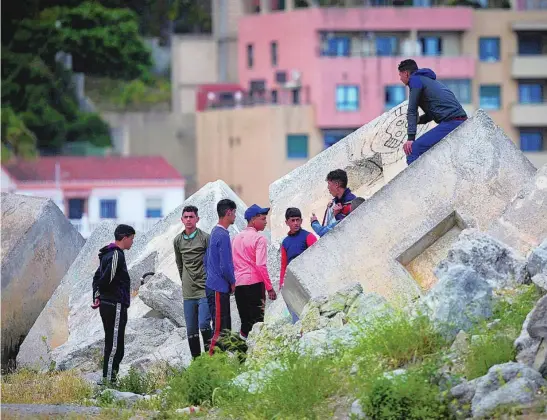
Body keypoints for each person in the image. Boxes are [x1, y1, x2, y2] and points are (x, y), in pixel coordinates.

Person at [398, 59, 468, 165]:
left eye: (400, 75)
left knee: (413, 150)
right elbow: (431, 114)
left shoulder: (415, 80)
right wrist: (418, 121)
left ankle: (418, 182)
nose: (400, 79)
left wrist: (410, 138)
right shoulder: (426, 80)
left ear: (406, 73)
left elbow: (412, 110)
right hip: (458, 120)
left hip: (452, 122)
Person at [91, 224, 135, 384]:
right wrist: (101, 294)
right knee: (115, 346)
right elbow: (107, 277)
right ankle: (108, 381)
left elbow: (96, 277)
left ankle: (110, 379)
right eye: (132, 239)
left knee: (114, 342)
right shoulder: (116, 254)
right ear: (125, 238)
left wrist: (96, 296)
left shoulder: (106, 254)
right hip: (115, 303)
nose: (132, 242)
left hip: (108, 303)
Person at [232, 204, 277, 341]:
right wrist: (269, 288)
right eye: (263, 219)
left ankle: (242, 356)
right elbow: (260, 265)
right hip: (255, 285)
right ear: (253, 220)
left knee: (245, 322)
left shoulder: (235, 239)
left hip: (239, 286)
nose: (265, 222)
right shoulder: (259, 239)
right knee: (258, 322)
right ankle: (257, 354)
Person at [173, 205, 212, 359]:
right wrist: (184, 280)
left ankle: (212, 359)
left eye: (191, 217)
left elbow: (211, 262)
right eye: (186, 217)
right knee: (191, 331)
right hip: (188, 292)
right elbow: (179, 263)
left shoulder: (205, 238)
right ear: (182, 219)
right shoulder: (177, 240)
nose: (188, 220)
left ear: (197, 219)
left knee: (203, 324)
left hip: (204, 288)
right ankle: (197, 364)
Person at [205, 199, 237, 355]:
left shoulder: (215, 231)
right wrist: (232, 282)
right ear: (229, 212)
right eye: (234, 212)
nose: (235, 216)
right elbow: (225, 265)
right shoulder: (223, 235)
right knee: (219, 329)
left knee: (223, 329)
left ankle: (220, 365)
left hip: (214, 285)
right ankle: (209, 367)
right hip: (219, 287)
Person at [279, 208, 317, 323]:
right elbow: (284, 265)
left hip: (308, 278)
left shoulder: (309, 237)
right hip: (293, 281)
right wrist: (282, 284)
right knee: (296, 311)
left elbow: (317, 256)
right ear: (287, 222)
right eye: (292, 220)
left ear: (301, 221)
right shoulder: (285, 243)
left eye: (298, 220)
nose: (295, 223)